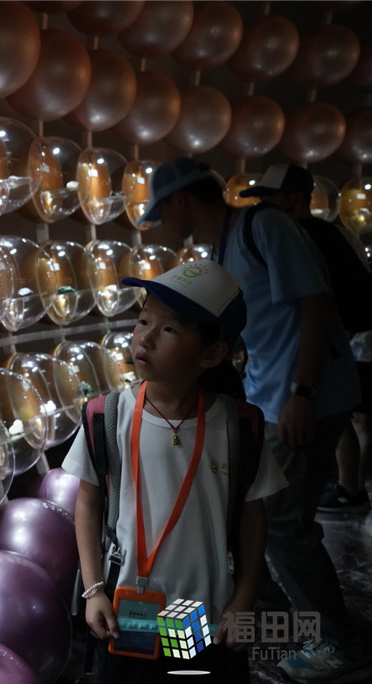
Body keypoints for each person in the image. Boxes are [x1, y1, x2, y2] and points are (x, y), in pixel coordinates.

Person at [133, 158, 367, 683]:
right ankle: (278, 620)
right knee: (253, 517)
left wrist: (302, 394)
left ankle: (341, 641)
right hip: (269, 398)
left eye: (161, 210)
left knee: (282, 524)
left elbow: (316, 306)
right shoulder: (222, 247)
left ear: (180, 200)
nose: (162, 221)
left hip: (302, 398)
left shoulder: (265, 226)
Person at [65, 260, 286, 682]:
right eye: (143, 320)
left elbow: (253, 513)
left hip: (211, 618)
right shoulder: (107, 416)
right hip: (127, 617)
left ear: (212, 353)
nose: (144, 337)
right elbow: (88, 501)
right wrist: (93, 590)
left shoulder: (239, 427)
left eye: (169, 329)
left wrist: (245, 596)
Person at [236, 163, 372, 514]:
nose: (262, 209)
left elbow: (323, 305)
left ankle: (350, 488)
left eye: (270, 200)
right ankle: (349, 487)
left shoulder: (307, 236)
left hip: (329, 359)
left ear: (296, 199)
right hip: (332, 358)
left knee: (289, 512)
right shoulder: (322, 234)